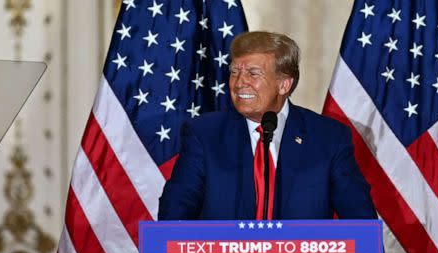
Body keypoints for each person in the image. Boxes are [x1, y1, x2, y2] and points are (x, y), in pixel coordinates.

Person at [158, 31, 377, 221]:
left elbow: (359, 215)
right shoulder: (204, 134)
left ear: (284, 84)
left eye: (253, 73)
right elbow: (174, 213)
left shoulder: (328, 138)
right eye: (235, 72)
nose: (239, 82)